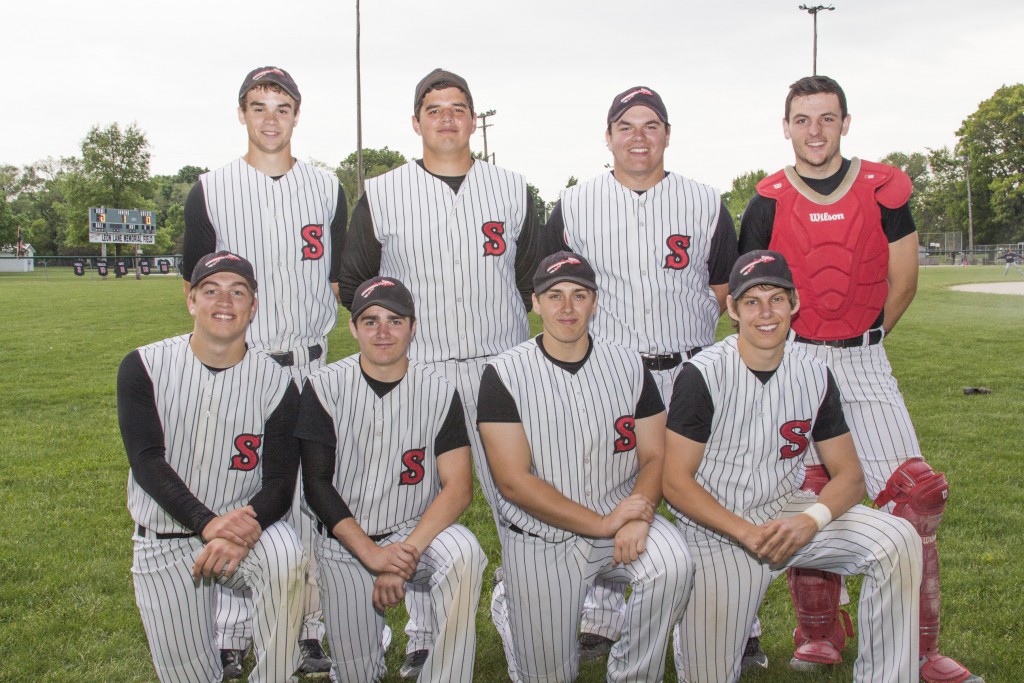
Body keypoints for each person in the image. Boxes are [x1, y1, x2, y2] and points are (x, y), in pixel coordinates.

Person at [739, 75, 983, 682]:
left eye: (826, 118)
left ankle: (919, 651)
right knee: (807, 489)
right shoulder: (766, 199)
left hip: (863, 357)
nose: (814, 130)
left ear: (845, 123)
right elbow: (744, 290)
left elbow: (904, 280)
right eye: (802, 119)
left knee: (915, 495)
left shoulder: (883, 189)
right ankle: (818, 630)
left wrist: (864, 342)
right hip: (792, 359)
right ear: (786, 125)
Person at [338, 67, 543, 678]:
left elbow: (535, 282)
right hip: (418, 370)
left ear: (474, 119)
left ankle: (529, 615)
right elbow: (352, 283)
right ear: (416, 121)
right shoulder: (382, 192)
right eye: (435, 109)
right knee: (418, 497)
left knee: (521, 496)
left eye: (459, 108)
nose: (447, 118)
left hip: (499, 367)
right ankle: (425, 632)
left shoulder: (512, 189)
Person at [541, 85, 742, 664]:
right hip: (611, 372)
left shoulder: (704, 201)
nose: (638, 136)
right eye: (625, 126)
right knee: (607, 479)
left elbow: (726, 290)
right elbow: (553, 289)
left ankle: (728, 613)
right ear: (607, 137)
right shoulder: (575, 204)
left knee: (706, 487)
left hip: (689, 366)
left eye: (650, 125)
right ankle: (602, 615)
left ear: (667, 135)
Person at [664, 249, 923, 683]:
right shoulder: (701, 374)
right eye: (752, 301)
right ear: (732, 309)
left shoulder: (815, 371)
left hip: (788, 511)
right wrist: (745, 532)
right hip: (718, 532)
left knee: (897, 539)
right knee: (707, 675)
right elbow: (675, 482)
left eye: (777, 298)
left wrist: (811, 519)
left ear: (794, 303)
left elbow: (850, 476)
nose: (766, 312)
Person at [181, 65, 347, 678]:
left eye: (282, 106)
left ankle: (309, 627)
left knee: (312, 496)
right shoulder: (211, 188)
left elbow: (338, 280)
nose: (270, 117)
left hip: (309, 364)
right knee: (235, 488)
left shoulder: (326, 188)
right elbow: (195, 286)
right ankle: (231, 629)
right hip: (240, 365)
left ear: (297, 115)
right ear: (242, 114)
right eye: (259, 106)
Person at [478, 251, 693, 683]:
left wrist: (640, 512)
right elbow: (514, 482)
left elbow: (654, 455)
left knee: (673, 564)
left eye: (579, 295)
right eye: (553, 296)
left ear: (595, 302)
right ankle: (511, 602)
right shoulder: (503, 373)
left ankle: (632, 674)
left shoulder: (629, 363)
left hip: (622, 517)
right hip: (542, 539)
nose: (567, 307)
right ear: (535, 304)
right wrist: (601, 524)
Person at [118, 250, 306, 682]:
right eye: (211, 290)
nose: (225, 301)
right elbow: (147, 462)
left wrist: (240, 531)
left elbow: (280, 481)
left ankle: (276, 675)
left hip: (246, 533)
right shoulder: (144, 366)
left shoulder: (277, 382)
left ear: (253, 306)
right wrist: (208, 525)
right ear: (191, 300)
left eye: (238, 292)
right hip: (166, 537)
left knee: (285, 556)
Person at [297, 276, 485, 682]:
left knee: (464, 552)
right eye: (370, 320)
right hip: (345, 545)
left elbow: (458, 487)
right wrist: (371, 554)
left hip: (417, 535)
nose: (383, 331)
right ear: (353, 328)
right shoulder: (323, 386)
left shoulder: (439, 390)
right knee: (357, 674)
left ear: (413, 327)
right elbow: (316, 483)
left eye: (395, 320)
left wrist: (400, 559)